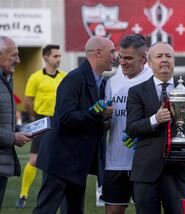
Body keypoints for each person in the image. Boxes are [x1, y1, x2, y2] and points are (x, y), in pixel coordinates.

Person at [33, 36, 115, 214]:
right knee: (46, 210)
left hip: (78, 162)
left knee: (74, 210)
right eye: (112, 52)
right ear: (98, 53)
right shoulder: (75, 79)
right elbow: (65, 118)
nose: (115, 56)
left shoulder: (101, 82)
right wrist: (98, 115)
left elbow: (93, 121)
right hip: (60, 159)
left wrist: (107, 120)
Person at [126, 42, 185, 214]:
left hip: (179, 169)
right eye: (159, 56)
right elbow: (131, 128)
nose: (164, 60)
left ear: (174, 60)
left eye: (168, 56)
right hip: (146, 171)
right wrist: (155, 119)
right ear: (149, 61)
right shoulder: (136, 91)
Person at [101, 34, 152, 214]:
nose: (123, 62)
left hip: (144, 161)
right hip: (116, 161)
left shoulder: (152, 80)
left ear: (144, 58)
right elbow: (107, 123)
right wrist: (102, 117)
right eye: (121, 57)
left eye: (129, 58)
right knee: (113, 211)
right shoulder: (112, 82)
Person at [16, 44, 66, 208]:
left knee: (58, 160)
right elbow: (28, 101)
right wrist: (36, 118)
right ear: (45, 57)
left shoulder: (64, 77)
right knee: (34, 160)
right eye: (55, 56)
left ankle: (58, 194)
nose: (58, 59)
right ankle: (23, 195)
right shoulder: (35, 77)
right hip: (41, 121)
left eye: (59, 56)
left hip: (59, 122)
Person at [0, 36, 30, 209]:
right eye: (14, 55)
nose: (18, 60)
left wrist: (20, 130)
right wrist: (13, 137)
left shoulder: (6, 79)